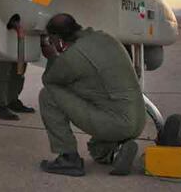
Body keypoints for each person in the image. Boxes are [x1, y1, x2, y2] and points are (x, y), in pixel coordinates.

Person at [39, 13, 145, 177]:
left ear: (58, 39)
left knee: (48, 95)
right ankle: (118, 149)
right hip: (137, 120)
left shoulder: (73, 57)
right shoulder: (105, 38)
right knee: (96, 149)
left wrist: (52, 57)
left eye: (51, 40)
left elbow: (50, 81)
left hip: (116, 122)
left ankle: (68, 158)